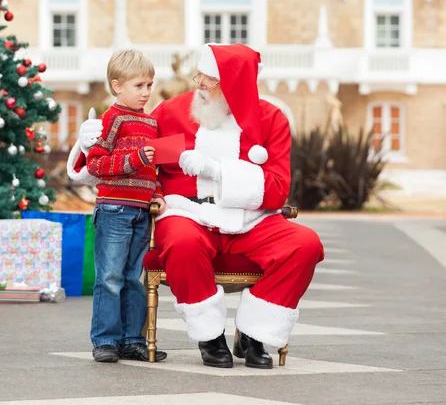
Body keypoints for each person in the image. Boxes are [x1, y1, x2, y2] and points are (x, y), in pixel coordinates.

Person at [68, 43, 324, 369]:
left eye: (208, 78)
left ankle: (254, 333)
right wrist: (88, 143)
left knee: (305, 245)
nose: (199, 84)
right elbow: (143, 165)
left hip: (251, 220)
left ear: (234, 84)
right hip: (189, 213)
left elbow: (276, 189)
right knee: (180, 241)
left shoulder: (270, 120)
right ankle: (210, 335)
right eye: (199, 76)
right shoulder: (174, 114)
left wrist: (218, 171)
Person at [79, 49, 167, 364]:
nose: (146, 92)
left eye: (149, 85)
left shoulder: (151, 123)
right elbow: (96, 163)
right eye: (139, 86)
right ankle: (105, 340)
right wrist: (134, 159)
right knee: (110, 277)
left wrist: (157, 192)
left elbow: (151, 169)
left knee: (133, 277)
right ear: (117, 86)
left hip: (142, 212)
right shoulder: (112, 118)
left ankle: (133, 340)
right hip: (114, 209)